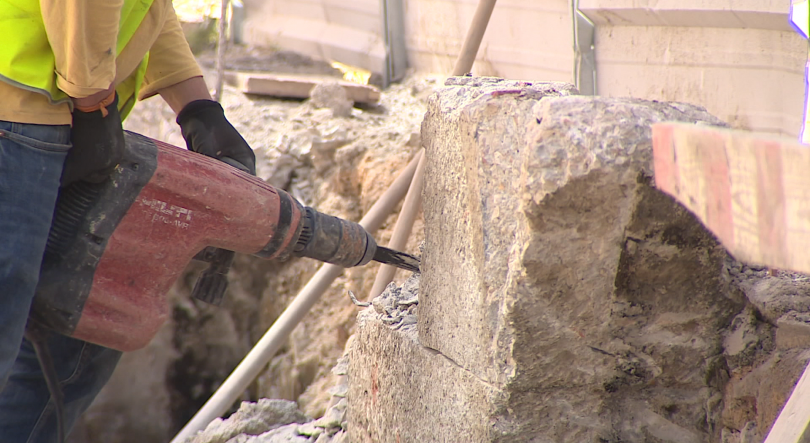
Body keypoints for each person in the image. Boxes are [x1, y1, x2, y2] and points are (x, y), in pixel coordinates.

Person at [0, 0, 257, 441]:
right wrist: (92, 103)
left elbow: (145, 7)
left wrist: (196, 105)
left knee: (82, 335)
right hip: (20, 112)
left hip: (56, 116)